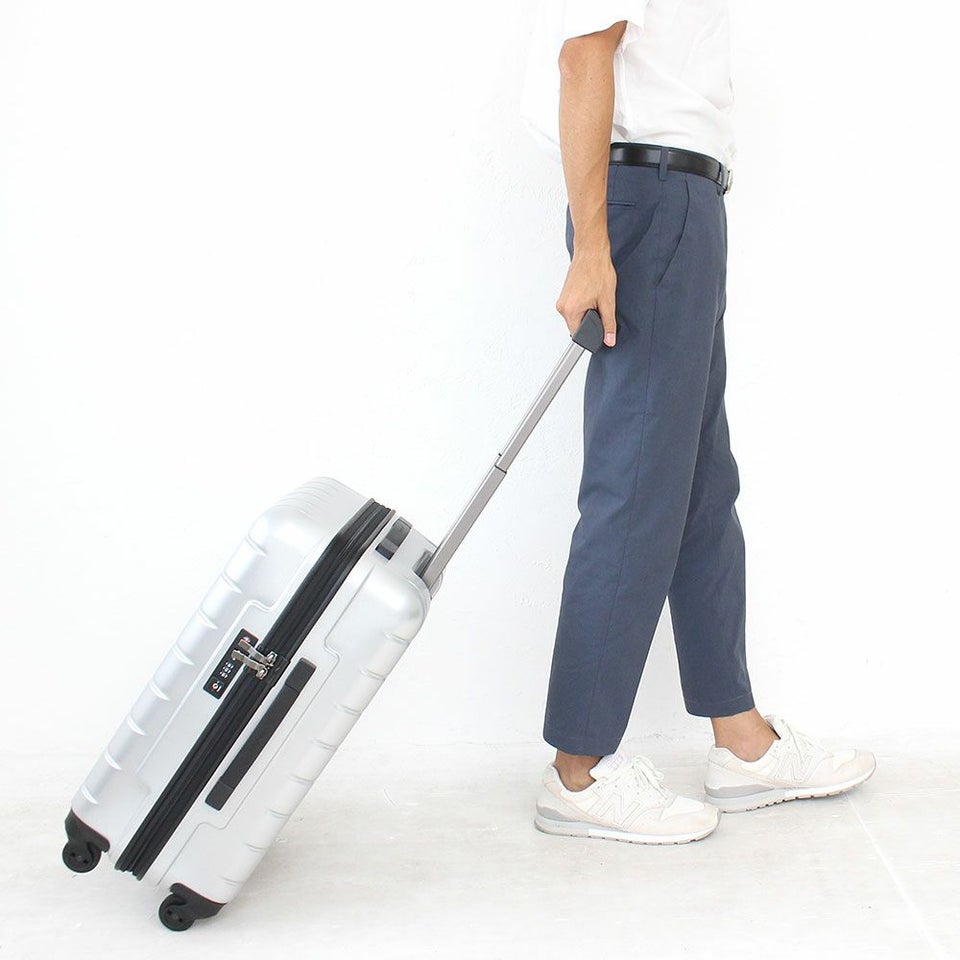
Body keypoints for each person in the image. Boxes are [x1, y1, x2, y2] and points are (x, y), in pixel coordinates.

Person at [520, 0, 876, 844]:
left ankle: (742, 741)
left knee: (700, 490)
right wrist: (593, 248)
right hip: (650, 199)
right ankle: (577, 772)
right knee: (636, 488)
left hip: (681, 202)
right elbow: (582, 56)